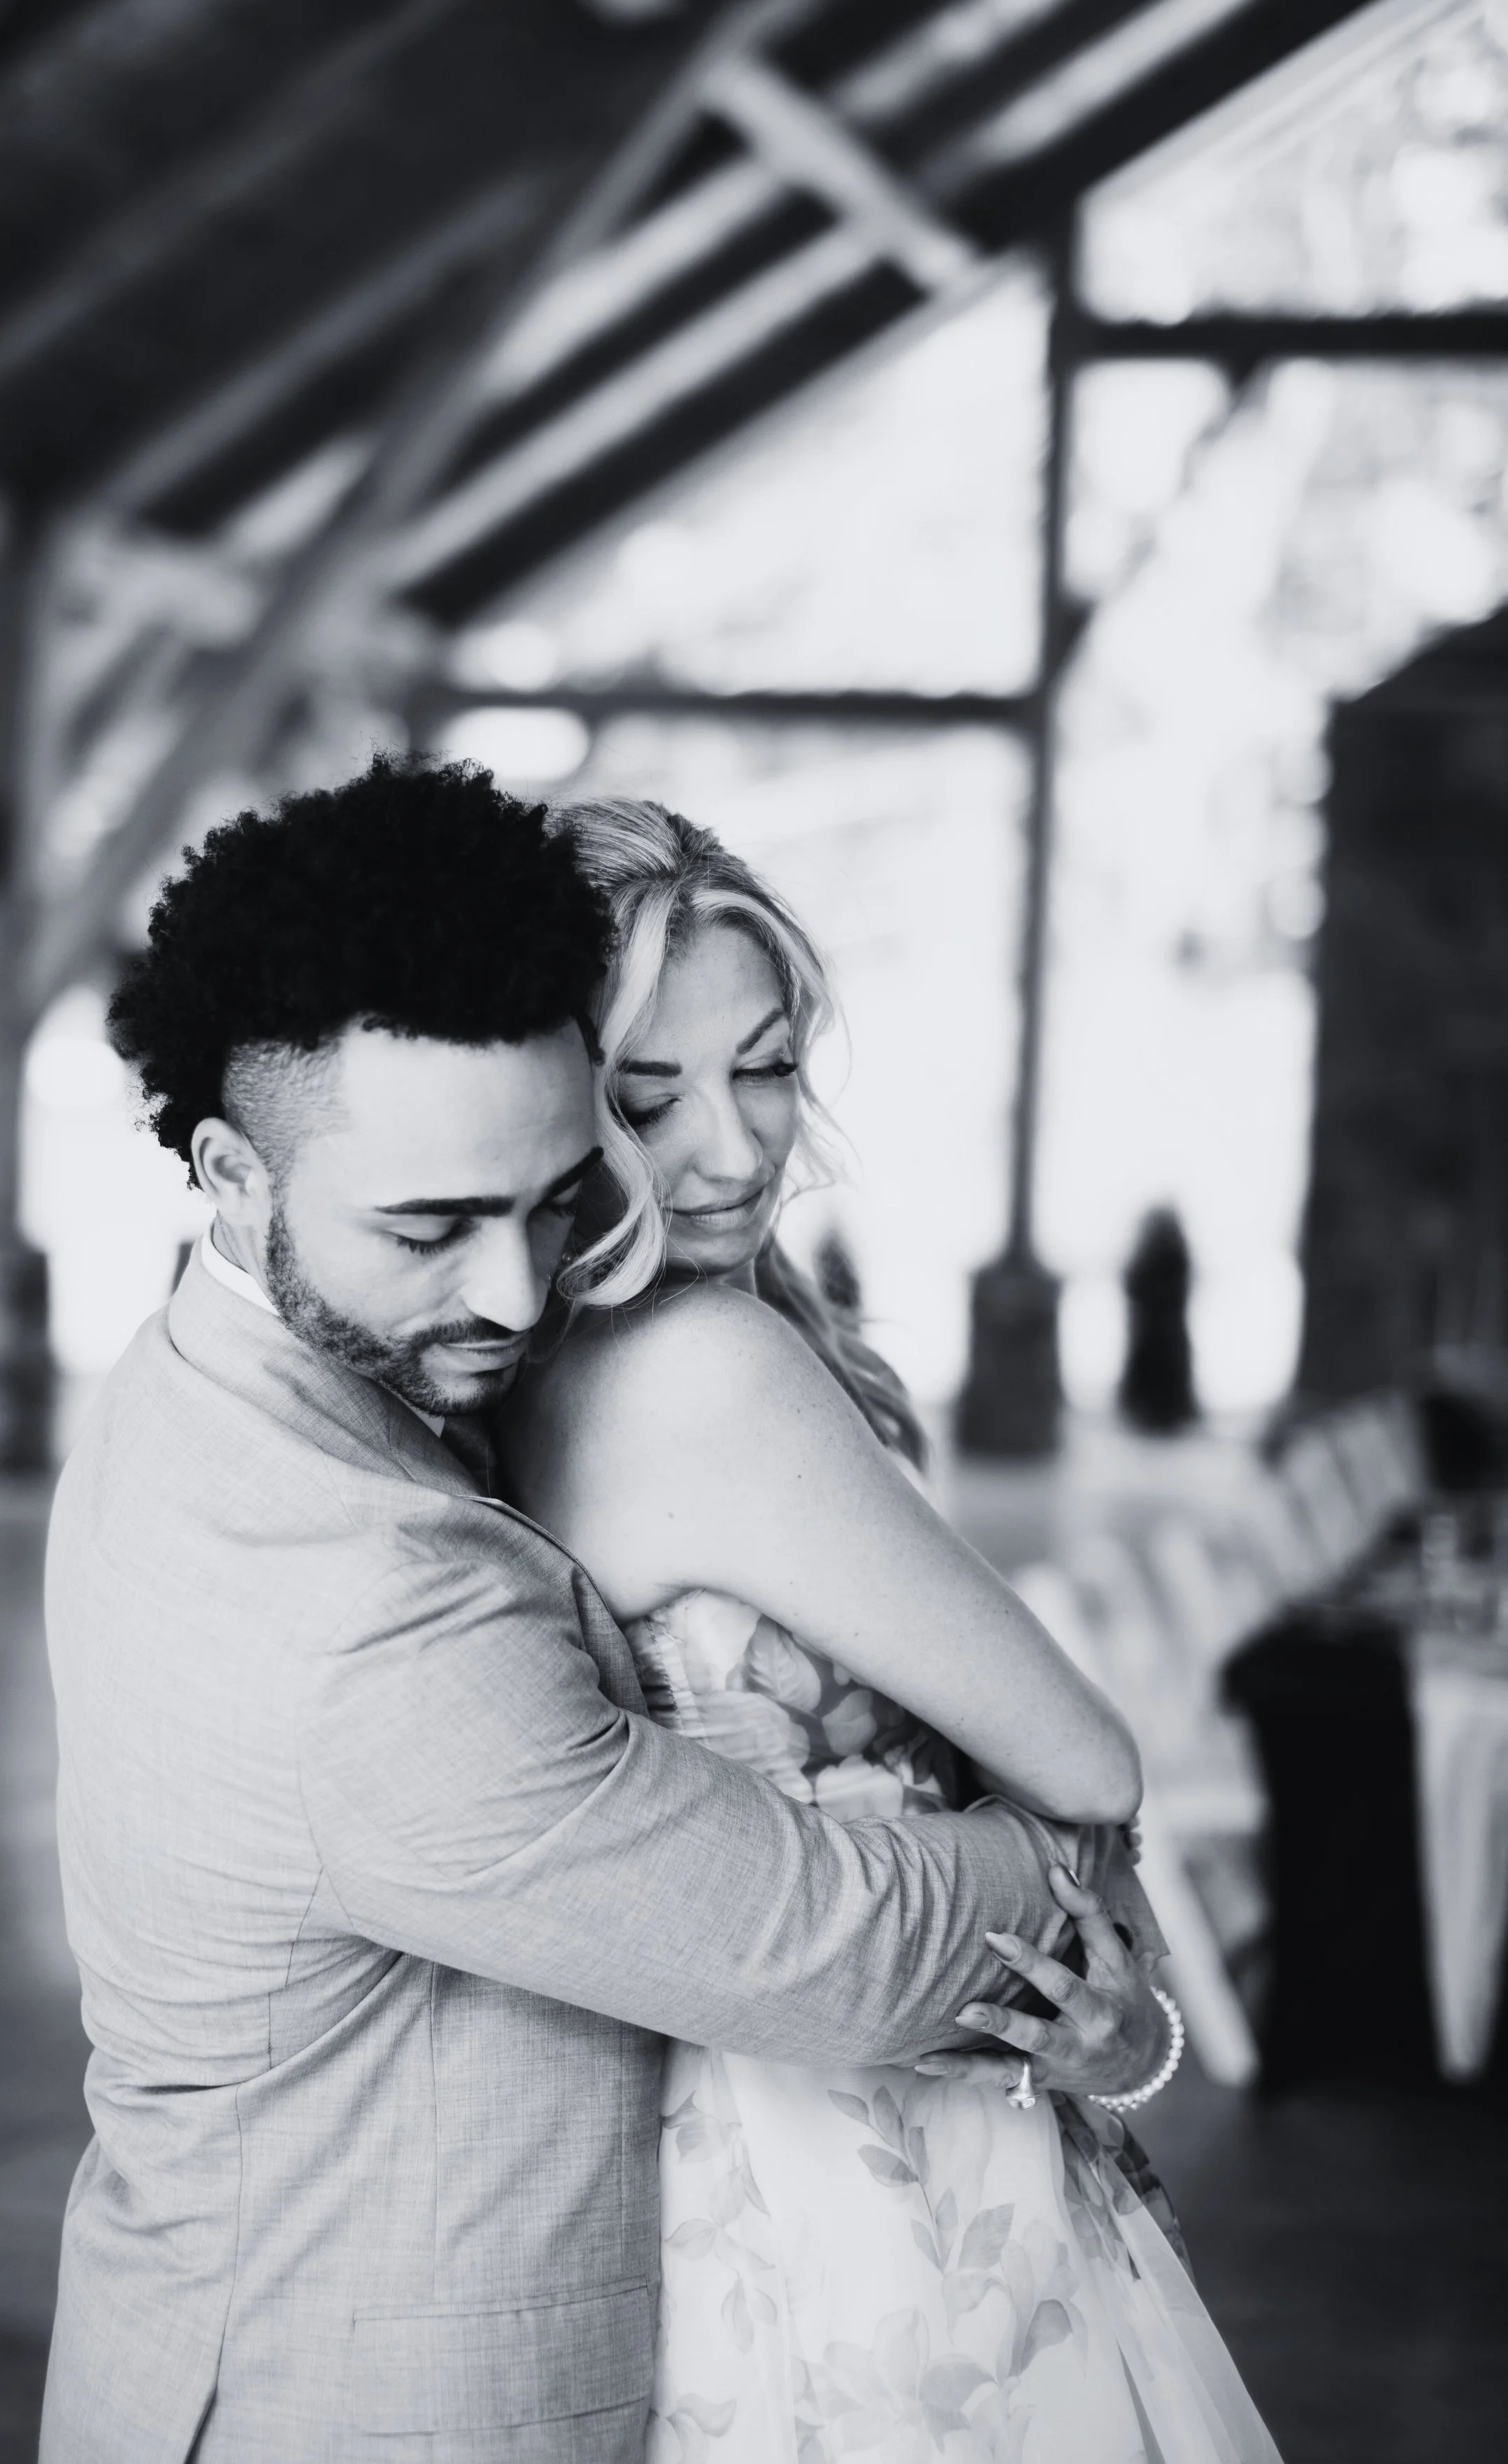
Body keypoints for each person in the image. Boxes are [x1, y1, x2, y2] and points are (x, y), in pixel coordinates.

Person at [40, 758, 1168, 2464]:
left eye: (550, 1194)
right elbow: (858, 1943)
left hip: (307, 2298)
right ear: (234, 1175)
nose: (507, 1284)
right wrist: (1078, 1882)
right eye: (431, 1224)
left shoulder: (208, 1382)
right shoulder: (391, 1591)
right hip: (407, 2378)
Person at [500, 796, 1283, 2464]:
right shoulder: (707, 1369)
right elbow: (1084, 1750)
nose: (729, 1147)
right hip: (853, 2157)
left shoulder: (519, 1364)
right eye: (647, 1094)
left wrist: (1119, 2033)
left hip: (698, 2138)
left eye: (766, 1067)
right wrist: (1095, 1916)